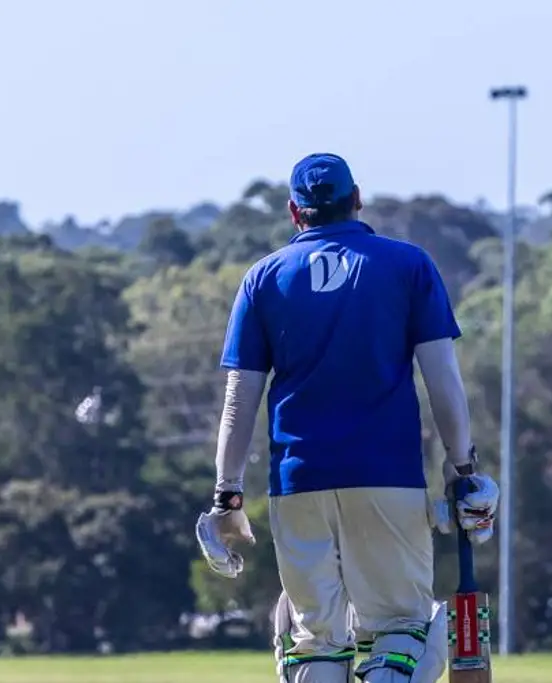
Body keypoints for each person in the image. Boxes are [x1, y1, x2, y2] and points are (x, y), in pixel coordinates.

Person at [193, 153, 501, 683]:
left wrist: (227, 495)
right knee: (404, 626)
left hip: (298, 483)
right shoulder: (408, 265)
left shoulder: (262, 278)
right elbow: (442, 379)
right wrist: (463, 467)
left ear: (295, 212)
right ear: (356, 198)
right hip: (387, 476)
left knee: (315, 641)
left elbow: (239, 401)